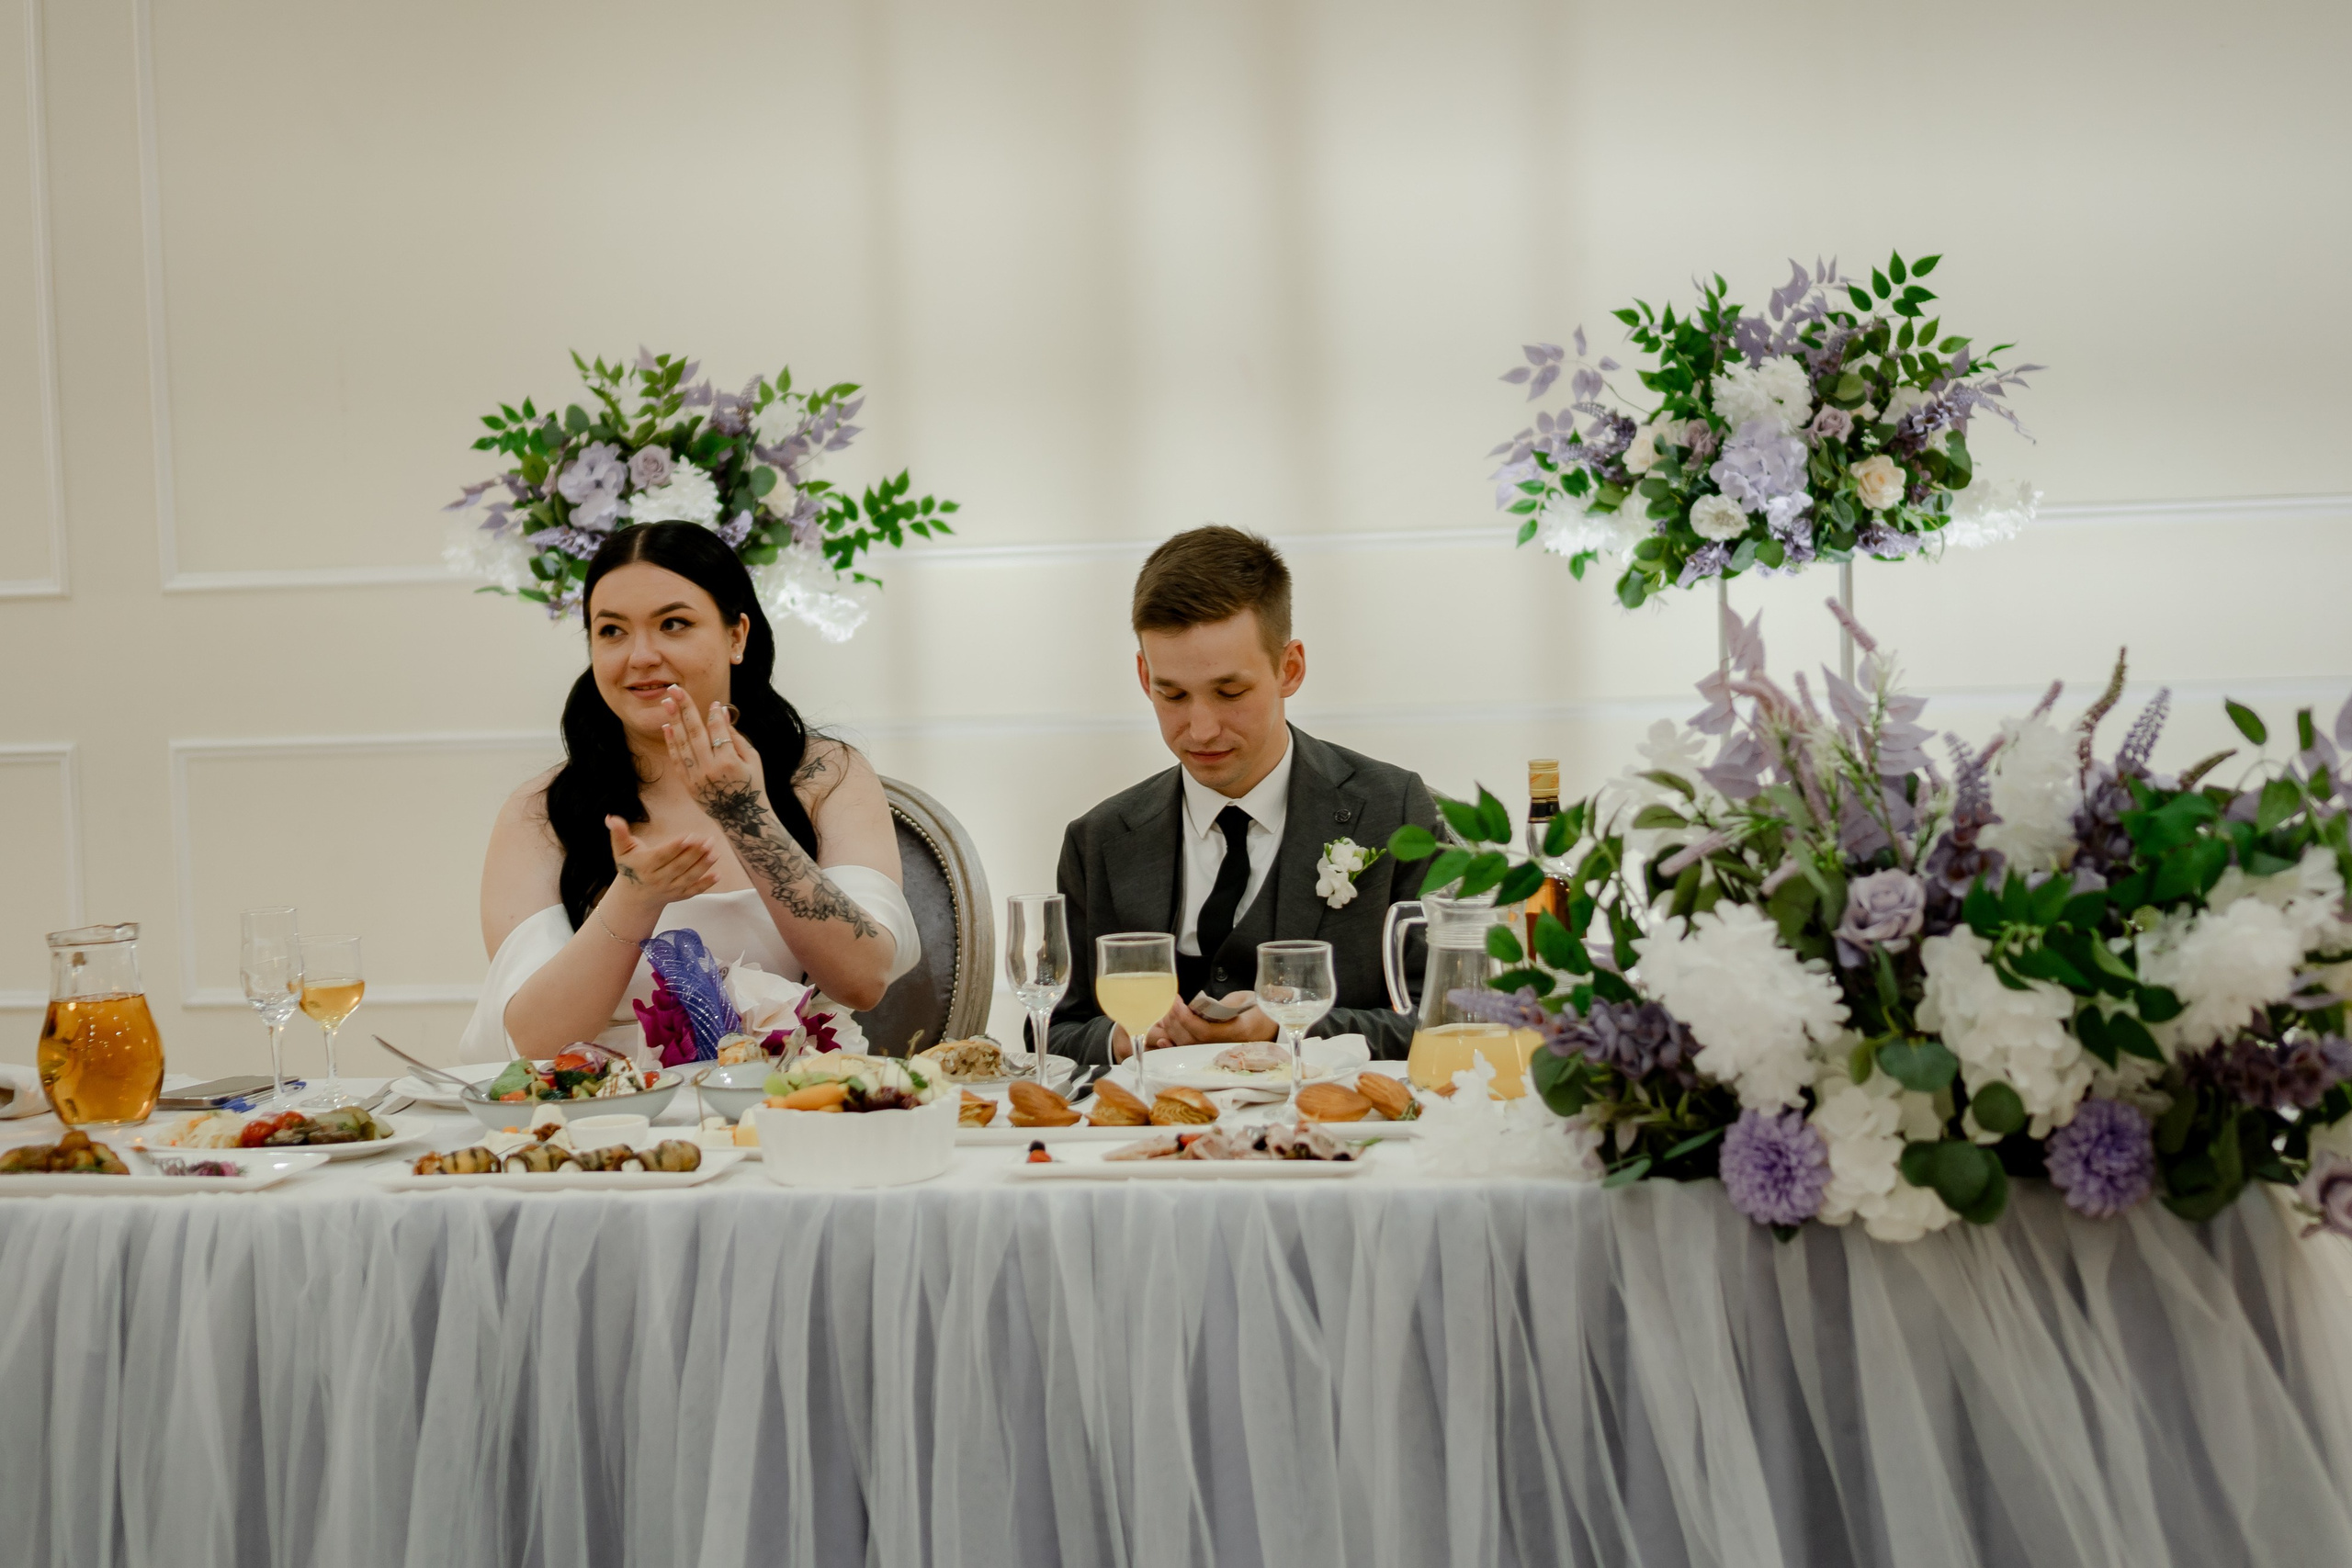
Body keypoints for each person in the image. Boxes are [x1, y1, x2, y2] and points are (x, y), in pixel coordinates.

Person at [458, 522, 920, 1063]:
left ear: (736, 636)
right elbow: (534, 1041)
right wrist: (635, 897)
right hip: (611, 1125)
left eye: (673, 624)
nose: (641, 656)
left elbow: (863, 980)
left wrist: (746, 818)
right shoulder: (540, 812)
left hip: (790, 1113)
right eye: (612, 631)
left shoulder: (824, 775)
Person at [1048, 525, 1439, 1068]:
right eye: (1172, 694)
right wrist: (1125, 1039)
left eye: (1230, 693)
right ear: (1144, 675)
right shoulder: (1099, 840)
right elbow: (1051, 1029)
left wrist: (1288, 1028)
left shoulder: (1393, 810)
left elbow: (1447, 1019)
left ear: (1290, 668)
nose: (1201, 729)